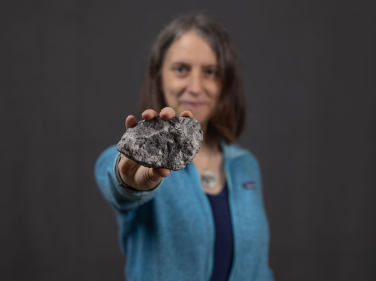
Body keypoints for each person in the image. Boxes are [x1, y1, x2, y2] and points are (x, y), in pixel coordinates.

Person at [95, 14, 274, 281]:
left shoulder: (245, 165)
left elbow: (259, 269)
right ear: (159, 76)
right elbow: (114, 177)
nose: (196, 87)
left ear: (225, 83)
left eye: (210, 72)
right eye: (181, 69)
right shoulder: (138, 160)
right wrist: (130, 181)